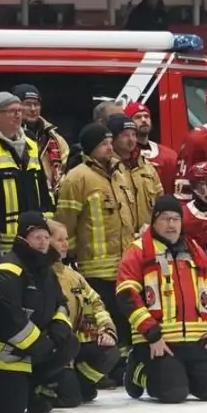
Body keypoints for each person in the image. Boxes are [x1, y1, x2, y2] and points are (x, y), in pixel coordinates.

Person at [116, 195, 207, 403]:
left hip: (198, 340)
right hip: (159, 341)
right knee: (172, 394)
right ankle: (138, 369)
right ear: (154, 221)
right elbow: (126, 296)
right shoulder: (139, 250)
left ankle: (186, 374)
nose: (171, 224)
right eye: (165, 219)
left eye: (176, 219)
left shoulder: (196, 251)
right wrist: (152, 334)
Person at [55, 122, 141, 365]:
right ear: (91, 148)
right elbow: (66, 220)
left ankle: (125, 362)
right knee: (105, 316)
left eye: (109, 142)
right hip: (94, 265)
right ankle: (109, 365)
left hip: (124, 263)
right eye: (103, 144)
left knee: (126, 316)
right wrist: (68, 255)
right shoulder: (77, 178)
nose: (108, 147)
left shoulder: (120, 173)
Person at [0, 211, 76, 413]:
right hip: (5, 353)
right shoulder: (9, 271)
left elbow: (60, 302)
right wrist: (41, 345)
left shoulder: (46, 269)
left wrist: (58, 330)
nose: (43, 243)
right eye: (37, 238)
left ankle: (33, 385)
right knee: (11, 409)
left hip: (34, 348)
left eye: (46, 237)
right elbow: (8, 319)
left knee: (69, 343)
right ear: (24, 239)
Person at [46, 219, 121, 404]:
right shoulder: (42, 275)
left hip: (77, 344)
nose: (65, 244)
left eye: (66, 239)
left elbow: (96, 303)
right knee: (70, 399)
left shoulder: (73, 275)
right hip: (54, 349)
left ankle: (81, 383)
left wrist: (106, 330)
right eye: (59, 240)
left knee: (110, 351)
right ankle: (53, 387)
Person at [0, 90, 53, 241]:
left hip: (35, 237)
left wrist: (47, 223)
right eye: (12, 111)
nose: (18, 115)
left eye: (19, 110)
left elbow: (43, 188)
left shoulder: (31, 145)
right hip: (4, 239)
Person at [14, 84, 70, 189]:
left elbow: (66, 171)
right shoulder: (9, 137)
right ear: (16, 107)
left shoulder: (54, 138)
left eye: (36, 104)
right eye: (27, 104)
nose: (33, 109)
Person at [124, 101, 180, 195]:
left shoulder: (170, 156)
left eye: (146, 116)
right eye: (138, 117)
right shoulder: (125, 156)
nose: (144, 120)